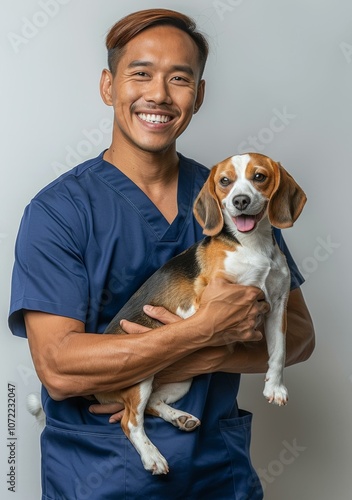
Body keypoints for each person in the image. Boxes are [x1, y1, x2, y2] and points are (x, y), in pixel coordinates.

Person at [9, 8, 315, 499]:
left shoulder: (234, 196)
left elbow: (298, 337)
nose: (158, 94)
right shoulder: (58, 212)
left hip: (218, 473)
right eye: (141, 73)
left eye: (179, 78)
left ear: (199, 95)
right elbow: (61, 369)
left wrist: (174, 359)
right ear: (109, 87)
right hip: (98, 477)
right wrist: (202, 333)